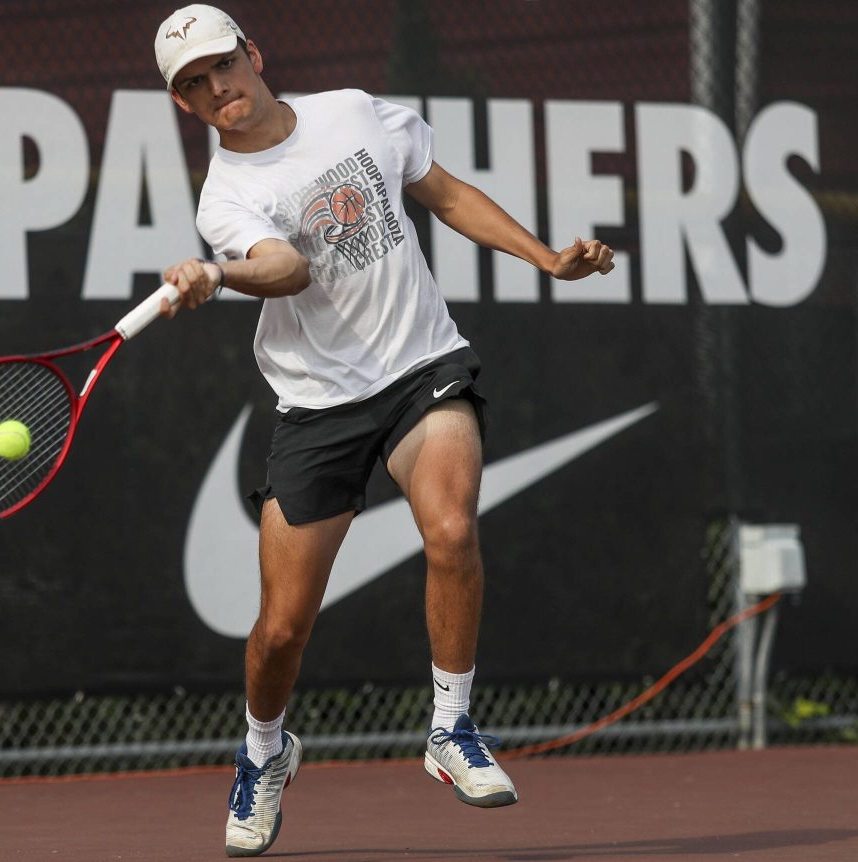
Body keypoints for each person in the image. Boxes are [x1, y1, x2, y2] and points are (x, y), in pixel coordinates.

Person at [153, 5, 615, 857]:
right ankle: (264, 752)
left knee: (449, 525)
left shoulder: (356, 111)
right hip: (317, 406)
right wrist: (219, 273)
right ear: (184, 105)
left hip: (420, 368)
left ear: (253, 54)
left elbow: (443, 193)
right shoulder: (227, 197)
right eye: (193, 84)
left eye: (223, 65)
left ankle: (449, 726)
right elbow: (286, 269)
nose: (217, 87)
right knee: (282, 630)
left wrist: (546, 257)